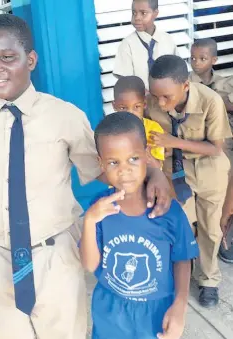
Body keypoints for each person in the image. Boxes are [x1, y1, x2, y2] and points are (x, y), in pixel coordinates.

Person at [0, 14, 172, 339]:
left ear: (31, 59)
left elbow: (107, 168)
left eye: (8, 57)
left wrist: (152, 172)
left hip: (57, 257)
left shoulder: (64, 116)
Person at [80, 112, 199, 339]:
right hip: (111, 314)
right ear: (101, 164)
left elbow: (182, 258)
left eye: (133, 158)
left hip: (156, 312)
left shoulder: (168, 210)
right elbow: (88, 265)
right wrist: (89, 221)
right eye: (114, 162)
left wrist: (180, 306)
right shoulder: (99, 209)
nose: (125, 170)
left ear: (146, 155)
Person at [147, 55, 232, 307]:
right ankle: (180, 276)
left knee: (210, 227)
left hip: (209, 169)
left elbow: (217, 148)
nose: (161, 104)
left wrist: (175, 143)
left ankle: (208, 280)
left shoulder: (210, 101)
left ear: (185, 86)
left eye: (167, 97)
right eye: (156, 96)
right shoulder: (152, 100)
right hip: (174, 170)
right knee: (178, 225)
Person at [113, 0, 178, 89]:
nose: (137, 18)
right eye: (134, 13)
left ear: (155, 13)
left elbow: (177, 71)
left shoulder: (168, 40)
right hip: (140, 99)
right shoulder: (127, 45)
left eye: (143, 13)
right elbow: (126, 81)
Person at [189, 38, 233, 165]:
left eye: (202, 59)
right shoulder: (186, 84)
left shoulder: (223, 83)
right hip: (201, 135)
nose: (196, 63)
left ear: (214, 60)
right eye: (192, 58)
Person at [112, 76, 164, 168]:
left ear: (144, 104)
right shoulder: (110, 132)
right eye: (123, 108)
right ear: (114, 106)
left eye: (136, 107)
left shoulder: (153, 131)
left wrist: (146, 153)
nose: (130, 113)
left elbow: (158, 168)